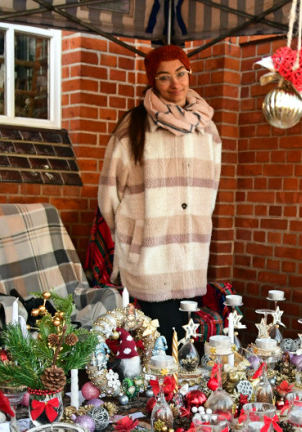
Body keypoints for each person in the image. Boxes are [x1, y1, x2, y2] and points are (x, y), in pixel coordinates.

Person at [98, 44, 222, 350]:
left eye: (181, 73)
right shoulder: (134, 127)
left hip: (191, 254)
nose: (175, 83)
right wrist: (133, 234)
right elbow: (108, 194)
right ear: (153, 81)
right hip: (151, 258)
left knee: (185, 350)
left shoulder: (207, 130)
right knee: (159, 350)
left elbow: (211, 189)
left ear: (189, 72)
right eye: (164, 77)